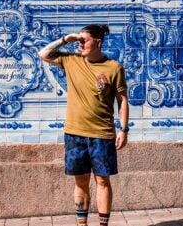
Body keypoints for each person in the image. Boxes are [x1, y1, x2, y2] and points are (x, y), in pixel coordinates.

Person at [38, 24, 129, 226]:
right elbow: (43, 53)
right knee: (80, 181)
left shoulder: (114, 68)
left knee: (102, 180)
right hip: (75, 133)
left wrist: (123, 129)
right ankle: (82, 224)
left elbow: (122, 100)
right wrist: (65, 40)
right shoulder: (71, 61)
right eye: (78, 41)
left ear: (98, 42)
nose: (79, 45)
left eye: (84, 40)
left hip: (102, 134)